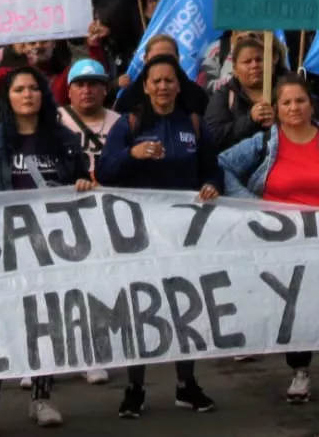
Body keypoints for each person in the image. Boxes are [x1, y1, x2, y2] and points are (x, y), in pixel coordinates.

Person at [219, 75, 319, 405]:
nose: (294, 108)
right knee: (295, 305)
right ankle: (300, 371)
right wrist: (251, 204)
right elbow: (221, 167)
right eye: (287, 102)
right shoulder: (262, 144)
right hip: (286, 243)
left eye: (300, 101)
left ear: (312, 105)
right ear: (276, 108)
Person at [0, 68, 94, 434]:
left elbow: (81, 179)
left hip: (52, 248)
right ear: (7, 97)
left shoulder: (65, 140)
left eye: (34, 88)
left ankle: (41, 397)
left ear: (43, 95)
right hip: (5, 246)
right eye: (19, 89)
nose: (27, 95)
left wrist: (82, 183)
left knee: (45, 322)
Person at [95, 55, 219, 419]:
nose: (163, 86)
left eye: (169, 80)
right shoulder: (129, 124)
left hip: (184, 233)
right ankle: (135, 388)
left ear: (179, 85)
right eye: (156, 81)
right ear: (145, 87)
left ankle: (186, 384)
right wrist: (131, 154)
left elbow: (212, 167)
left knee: (185, 306)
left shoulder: (194, 123)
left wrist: (212, 183)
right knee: (140, 307)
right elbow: (105, 170)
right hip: (139, 234)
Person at [203, 35, 277, 153]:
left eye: (259, 60)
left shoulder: (286, 91)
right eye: (247, 61)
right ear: (235, 69)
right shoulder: (224, 96)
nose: (254, 65)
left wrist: (278, 121)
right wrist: (250, 120)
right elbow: (213, 138)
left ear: (271, 65)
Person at [57, 58, 119, 177]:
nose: (86, 91)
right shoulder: (54, 119)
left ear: (105, 89)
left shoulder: (119, 122)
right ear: (69, 91)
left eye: (93, 84)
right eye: (80, 85)